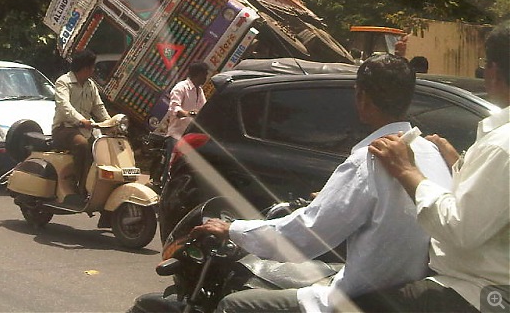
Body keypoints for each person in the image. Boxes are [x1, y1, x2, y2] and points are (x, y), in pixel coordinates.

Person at [189, 54, 452, 313]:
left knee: (234, 305)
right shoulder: (433, 153)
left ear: (361, 96)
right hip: (407, 293)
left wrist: (233, 229)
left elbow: (305, 236)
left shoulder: (369, 160)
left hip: (361, 299)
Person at [352, 21, 510, 312]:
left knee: (353, 306)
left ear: (494, 71)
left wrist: (407, 171)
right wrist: (459, 165)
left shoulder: (501, 145)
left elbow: (460, 229)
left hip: (475, 291)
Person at [52, 49, 110, 198]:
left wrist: (112, 124)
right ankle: (78, 184)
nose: (93, 70)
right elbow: (64, 106)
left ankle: (94, 185)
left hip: (85, 130)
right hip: (64, 129)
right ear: (85, 68)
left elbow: (99, 107)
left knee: (101, 148)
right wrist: (81, 120)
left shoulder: (90, 85)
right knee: (82, 144)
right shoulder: (63, 82)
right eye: (92, 67)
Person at [160, 61, 209, 184]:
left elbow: (203, 109)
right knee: (171, 168)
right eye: (205, 74)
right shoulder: (181, 88)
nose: (206, 77)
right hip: (177, 134)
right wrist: (189, 114)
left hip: (190, 137)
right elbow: (174, 109)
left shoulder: (199, 90)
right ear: (198, 74)